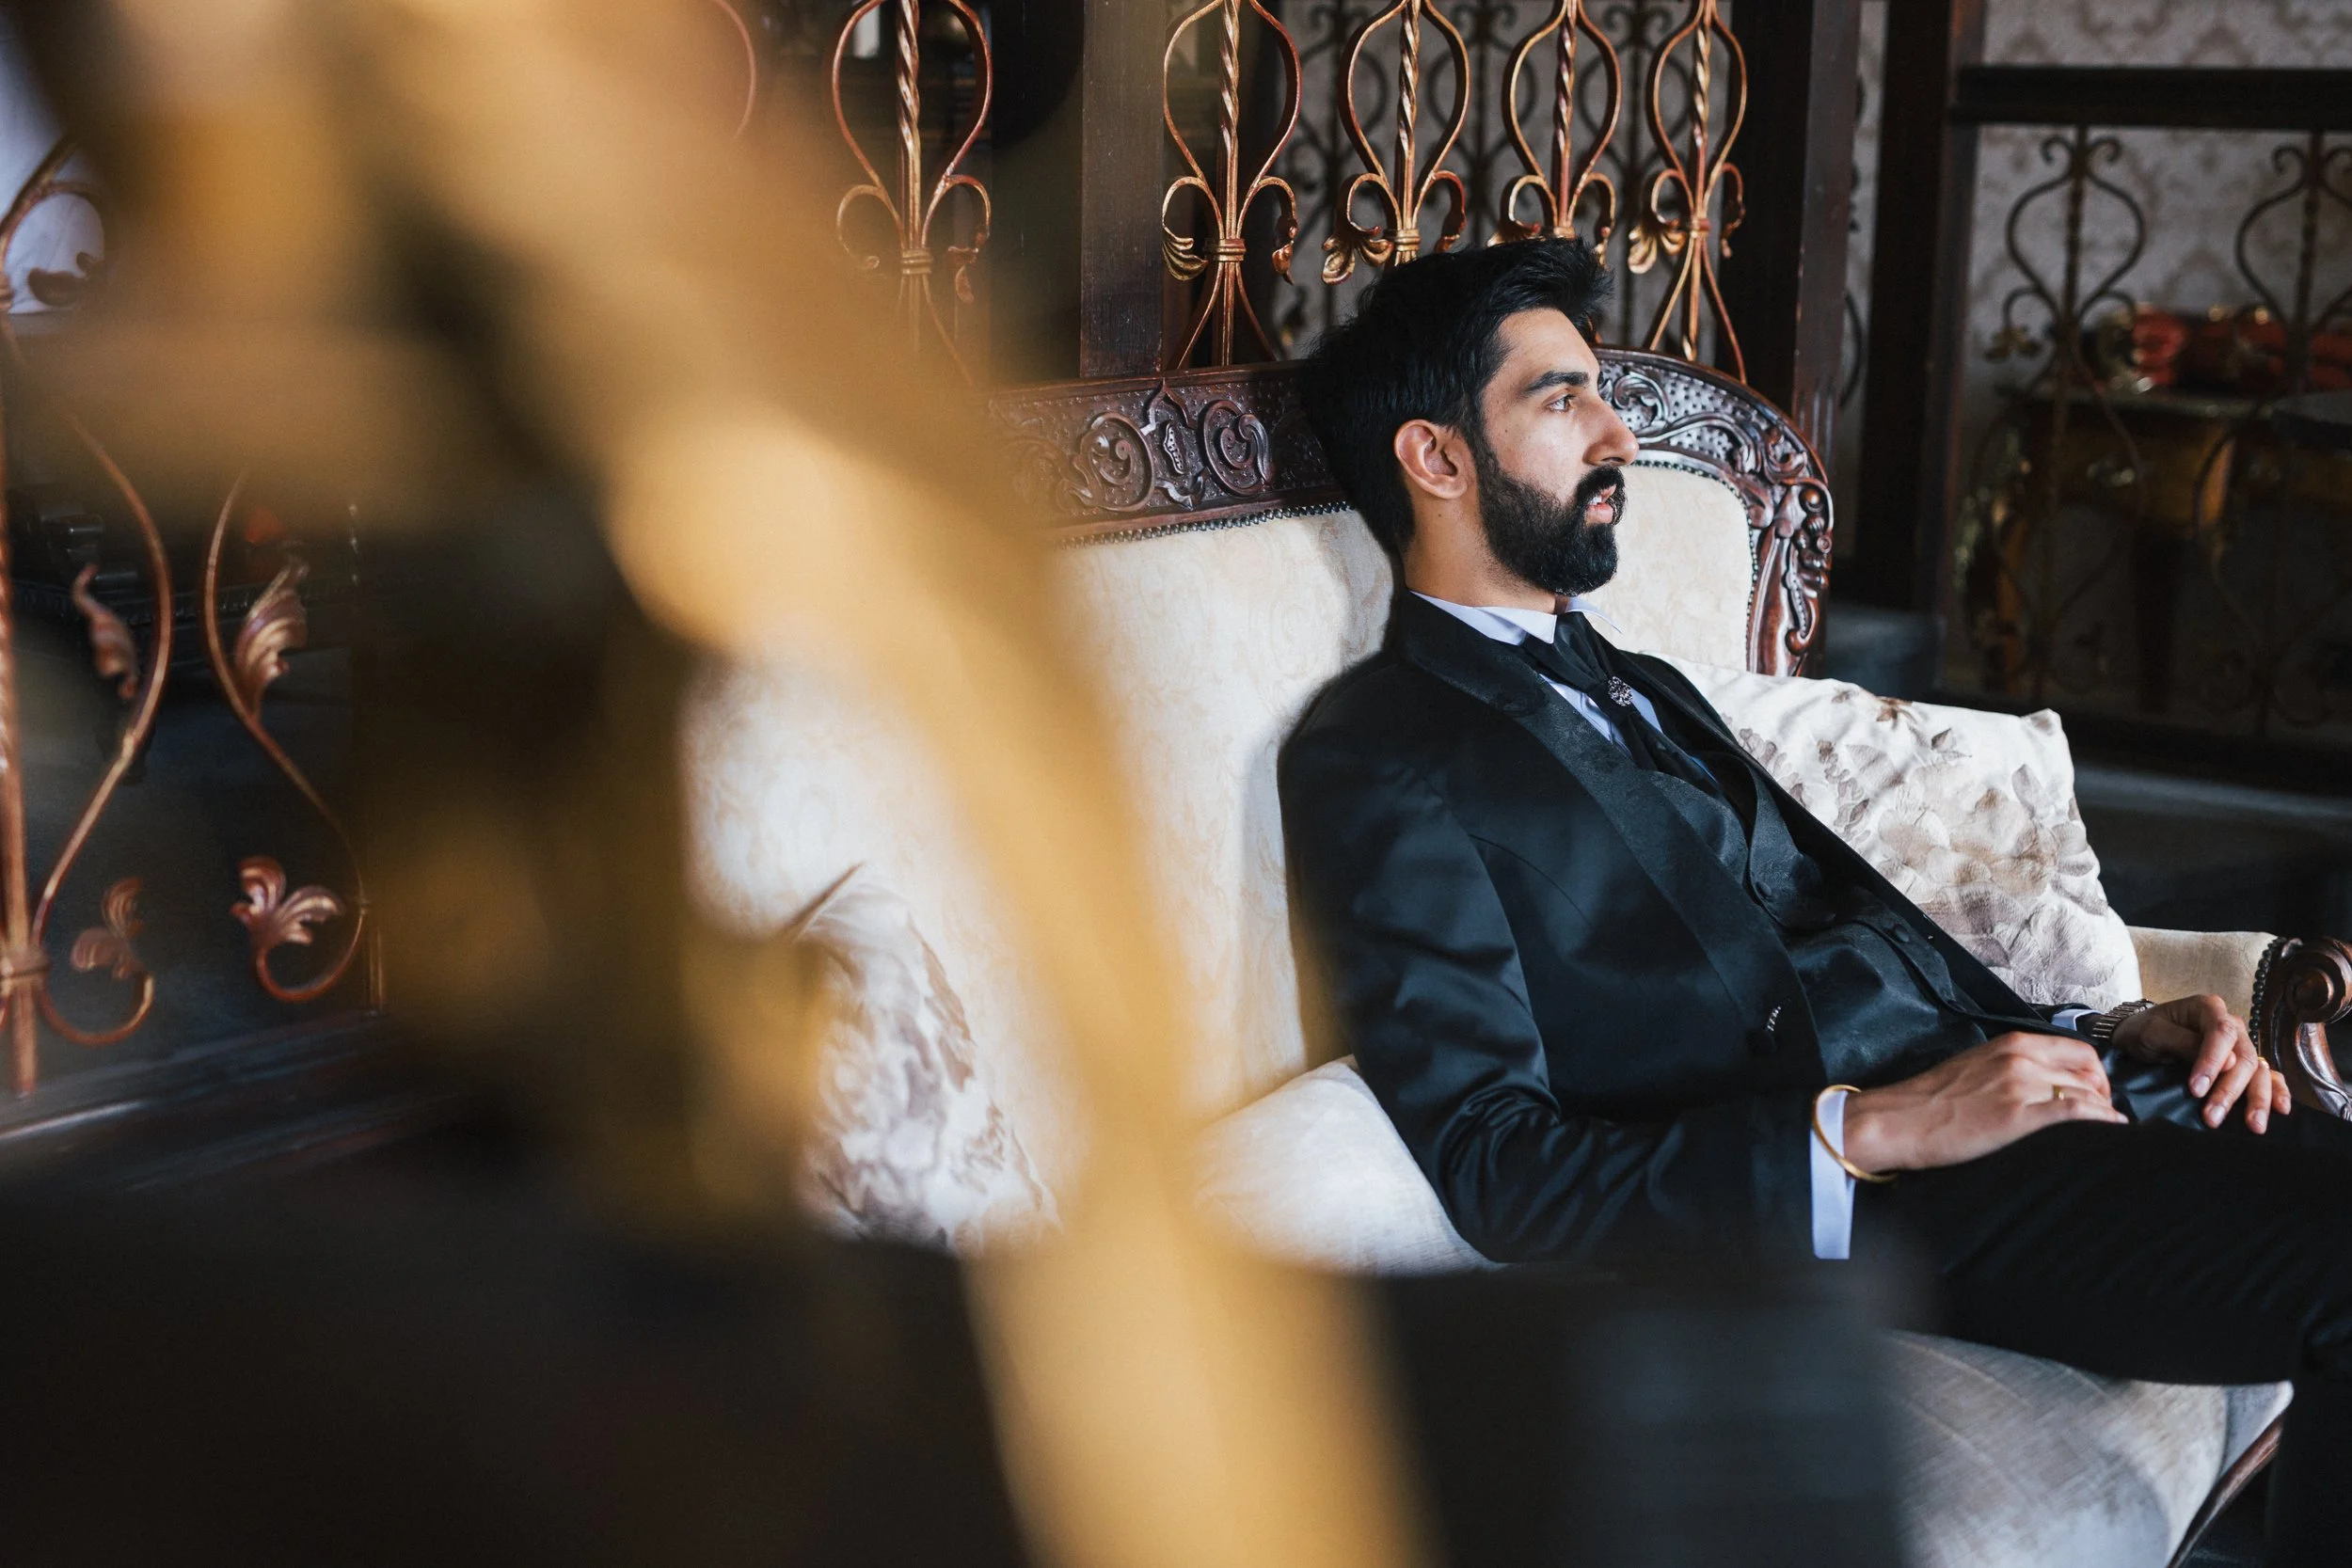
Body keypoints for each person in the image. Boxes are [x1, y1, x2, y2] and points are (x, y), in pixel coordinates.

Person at [1281, 236, 2352, 1562]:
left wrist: (2105, 1026)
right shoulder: (1379, 753)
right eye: (1562, 400)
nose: (1619, 431)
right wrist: (1873, 1128)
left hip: (2017, 1097)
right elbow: (1501, 1158)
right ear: (1436, 458)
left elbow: (1845, 928)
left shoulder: (1639, 682)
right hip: (1897, 1195)